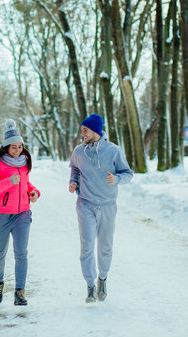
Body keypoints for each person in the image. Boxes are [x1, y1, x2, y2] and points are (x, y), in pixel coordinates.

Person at [69, 113, 133, 303]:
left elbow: (128, 173)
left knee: (105, 247)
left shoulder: (113, 151)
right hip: (85, 203)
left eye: (85, 130)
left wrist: (116, 179)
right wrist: (73, 182)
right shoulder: (79, 152)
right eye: (81, 130)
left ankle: (102, 278)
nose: (82, 134)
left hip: (107, 205)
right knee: (86, 246)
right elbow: (75, 169)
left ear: (95, 130)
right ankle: (90, 285)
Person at [0, 119, 40, 306]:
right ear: (6, 147)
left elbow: (26, 184)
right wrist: (9, 182)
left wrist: (34, 192)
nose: (17, 151)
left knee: (21, 254)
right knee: (0, 253)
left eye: (20, 147)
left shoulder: (24, 163)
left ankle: (19, 292)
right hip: (1, 215)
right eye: (13, 147)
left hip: (22, 214)